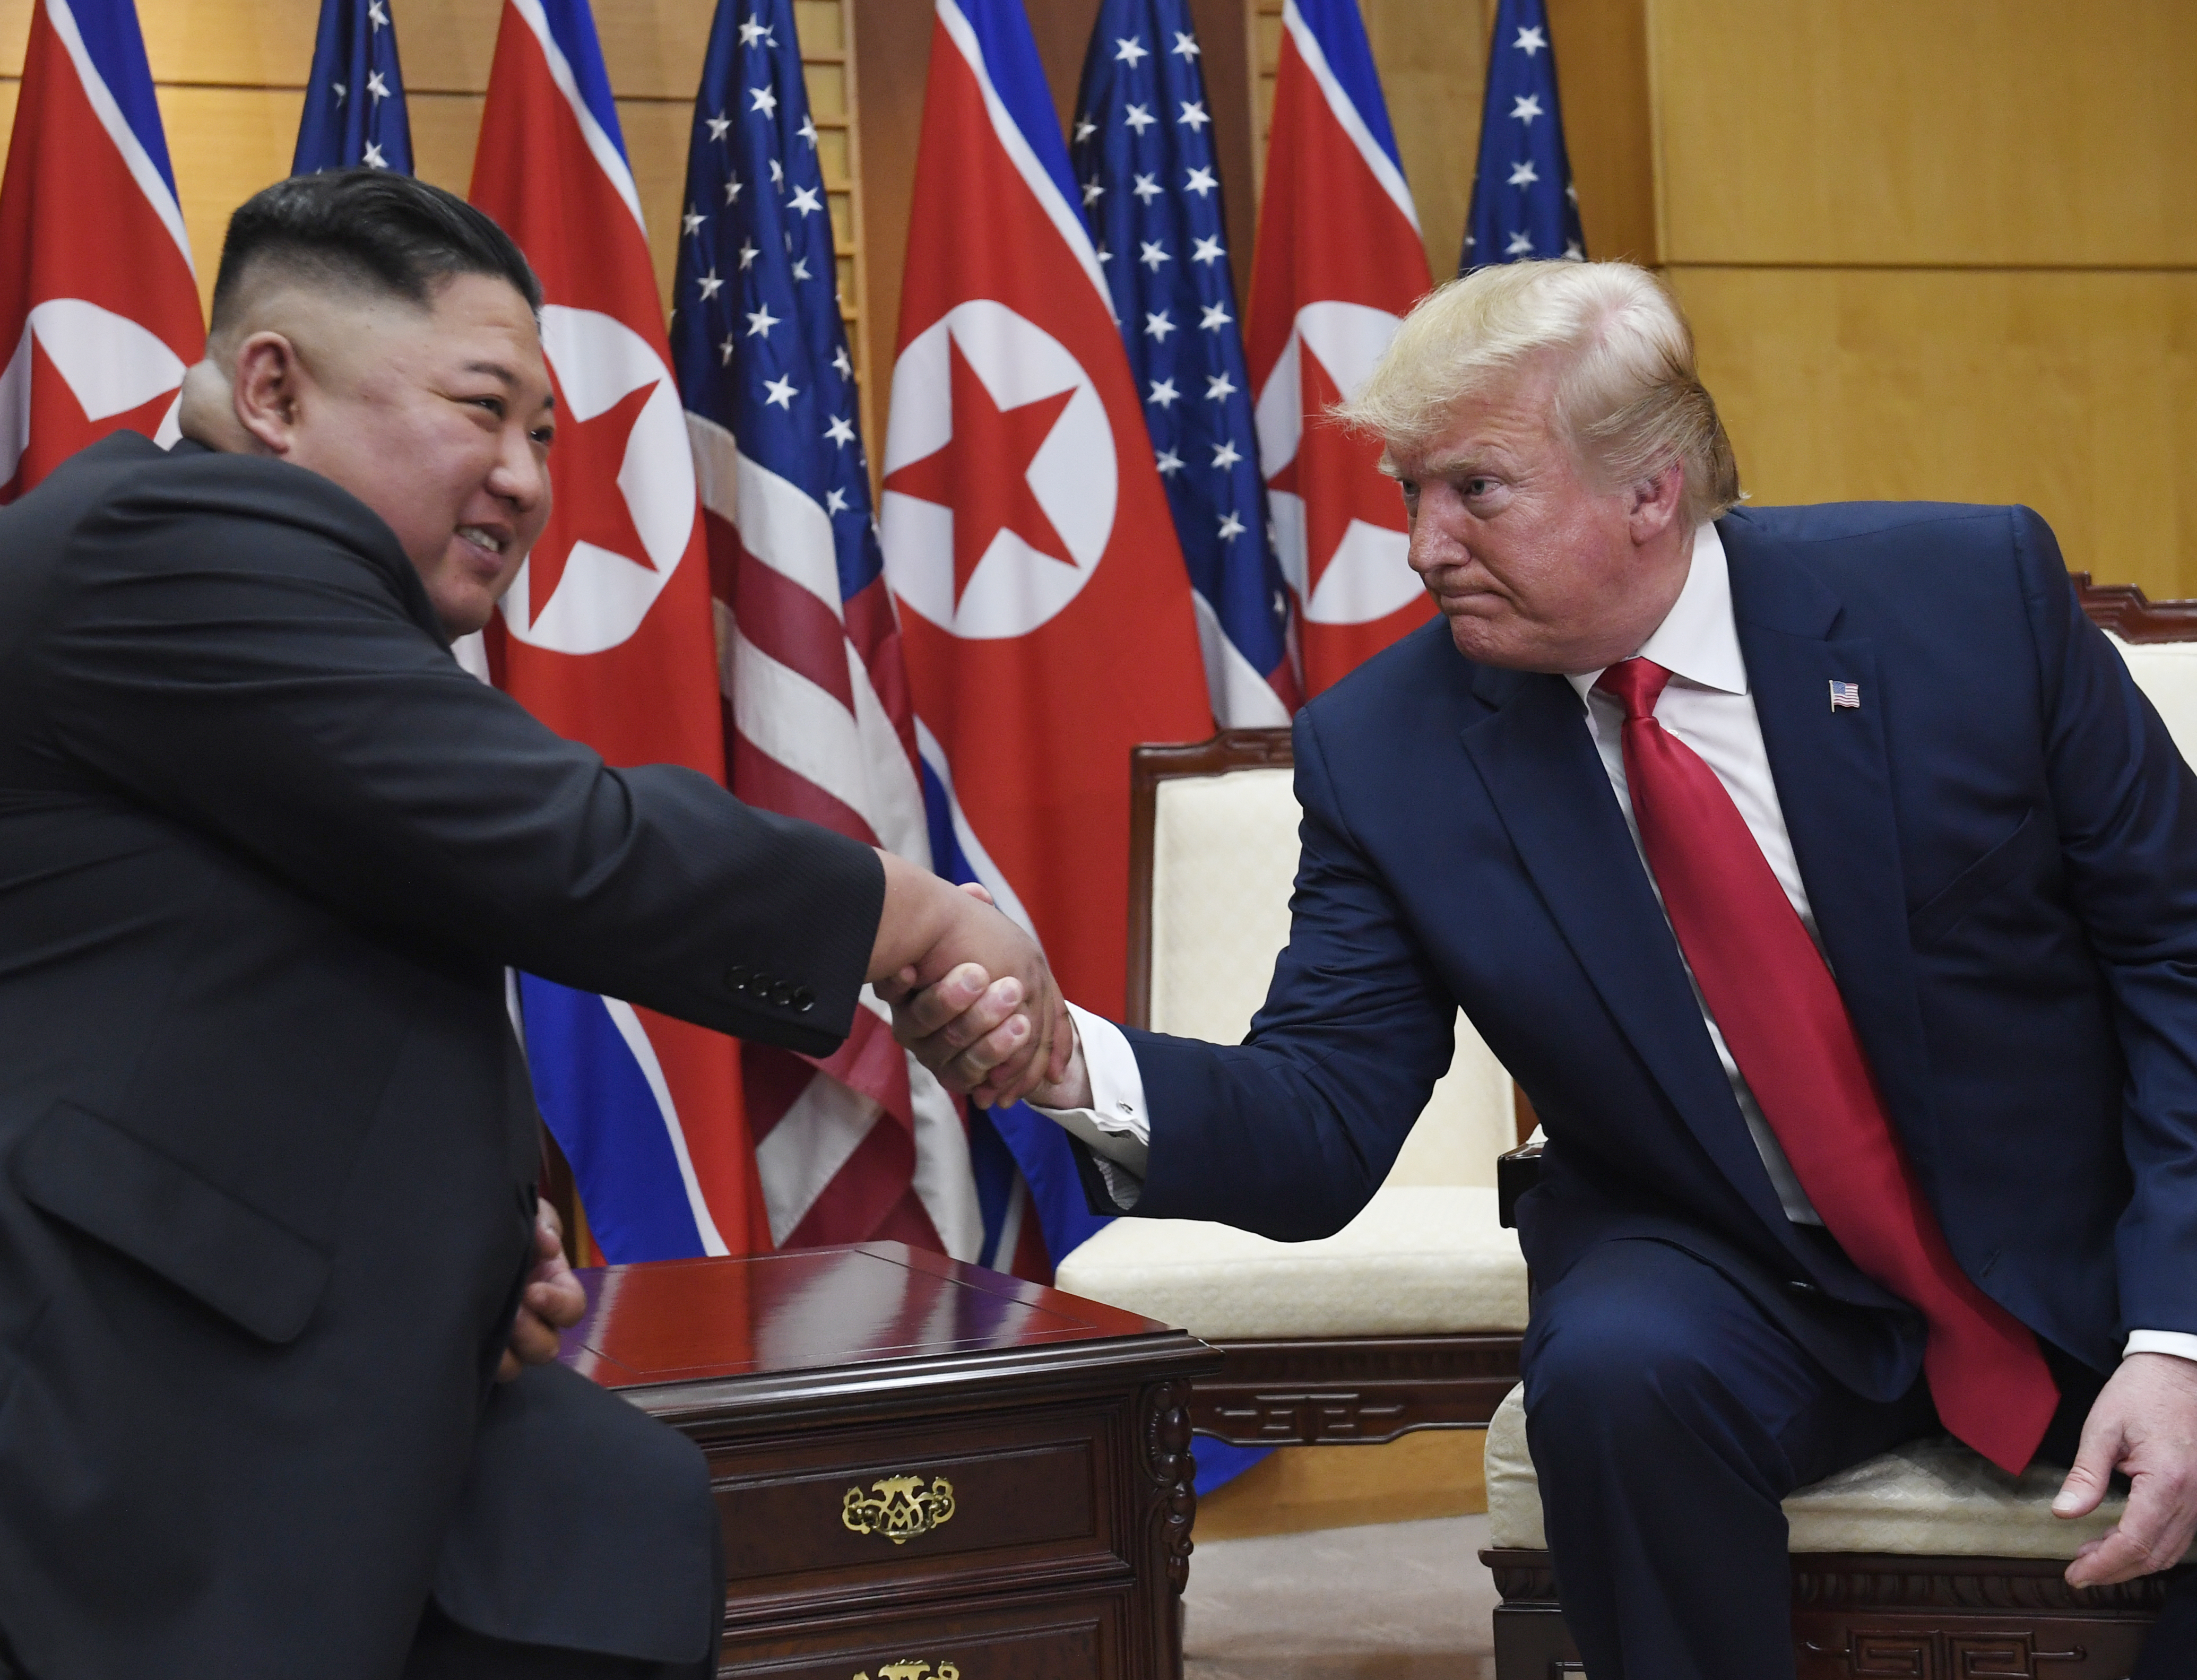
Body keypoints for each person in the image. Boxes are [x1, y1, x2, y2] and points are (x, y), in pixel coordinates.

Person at [903, 259, 2197, 1678]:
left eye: (1475, 489)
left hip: (2070, 1223)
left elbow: (2177, 955)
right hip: (1731, 1260)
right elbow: (1323, 1116)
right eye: (1409, 491)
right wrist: (1066, 1059)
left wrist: (2179, 1333)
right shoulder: (1388, 752)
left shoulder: (1963, 604)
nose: (1420, 545)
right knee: (1614, 1372)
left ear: (1651, 488)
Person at [0, 170, 1059, 1680]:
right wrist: (921, 914)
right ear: (272, 388)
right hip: (98, 1386)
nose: (530, 477)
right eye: (482, 410)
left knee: (606, 1524)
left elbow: (246, 982)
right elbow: (566, 846)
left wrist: (463, 1233)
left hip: (316, 1345)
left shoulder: (241, 581)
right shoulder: (168, 544)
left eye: (544, 433)